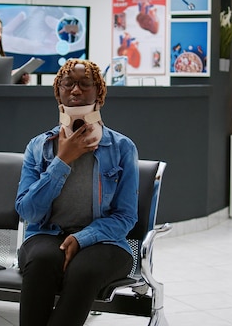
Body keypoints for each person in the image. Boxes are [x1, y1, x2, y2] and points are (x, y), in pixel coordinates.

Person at [15, 59, 140, 326]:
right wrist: (62, 161)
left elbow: (126, 217)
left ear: (99, 94)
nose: (75, 91)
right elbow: (28, 212)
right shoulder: (39, 147)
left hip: (105, 243)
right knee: (41, 262)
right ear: (57, 92)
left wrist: (83, 238)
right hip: (46, 235)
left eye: (85, 84)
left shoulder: (122, 148)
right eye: (67, 84)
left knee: (84, 270)